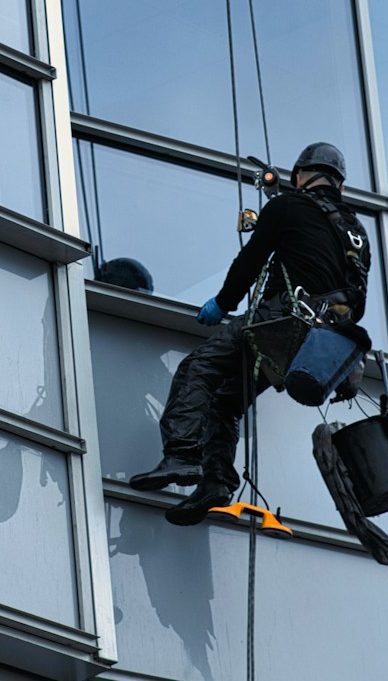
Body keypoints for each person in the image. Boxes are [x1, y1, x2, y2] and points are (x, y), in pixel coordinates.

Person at [129, 141, 373, 525]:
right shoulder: (357, 234)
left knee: (198, 369)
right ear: (339, 186)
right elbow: (358, 300)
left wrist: (222, 304)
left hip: (281, 321)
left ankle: (181, 455)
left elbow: (249, 261)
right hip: (319, 344)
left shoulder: (288, 207)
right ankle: (216, 483)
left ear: (299, 176)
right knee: (225, 403)